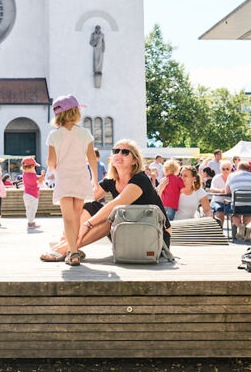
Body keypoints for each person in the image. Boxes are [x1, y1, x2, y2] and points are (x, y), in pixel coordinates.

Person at [42, 139, 170, 261]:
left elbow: (118, 203)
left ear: (134, 161)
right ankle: (67, 244)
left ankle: (68, 248)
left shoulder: (140, 179)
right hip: (127, 230)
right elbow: (85, 200)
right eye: (116, 151)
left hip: (154, 238)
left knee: (113, 216)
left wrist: (88, 224)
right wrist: (69, 230)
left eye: (125, 152)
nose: (119, 154)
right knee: (89, 206)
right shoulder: (111, 180)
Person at [45, 94, 98, 265]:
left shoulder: (54, 135)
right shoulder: (84, 133)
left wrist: (52, 168)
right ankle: (72, 250)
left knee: (67, 218)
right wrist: (95, 180)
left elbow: (51, 162)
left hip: (65, 179)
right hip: (81, 178)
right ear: (75, 112)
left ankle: (73, 252)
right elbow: (91, 159)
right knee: (76, 217)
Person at [224, 162, 251, 241]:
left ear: (238, 168)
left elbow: (227, 191)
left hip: (237, 206)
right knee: (250, 212)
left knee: (230, 211)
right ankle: (244, 227)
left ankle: (241, 226)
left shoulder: (231, 175)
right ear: (248, 169)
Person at [207, 160, 233, 226]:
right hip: (218, 201)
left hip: (230, 201)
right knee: (220, 211)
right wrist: (221, 190)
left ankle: (236, 232)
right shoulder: (217, 178)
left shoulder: (233, 178)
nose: (225, 171)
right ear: (220, 169)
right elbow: (212, 189)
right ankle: (220, 231)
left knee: (234, 213)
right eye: (223, 169)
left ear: (231, 169)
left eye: (227, 169)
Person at [21, 157, 43, 229]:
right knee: (33, 209)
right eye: (34, 166)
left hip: (26, 194)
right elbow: (40, 181)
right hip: (33, 195)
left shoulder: (24, 174)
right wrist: (42, 175)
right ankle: (30, 223)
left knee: (28, 209)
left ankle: (30, 221)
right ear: (31, 166)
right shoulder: (33, 175)